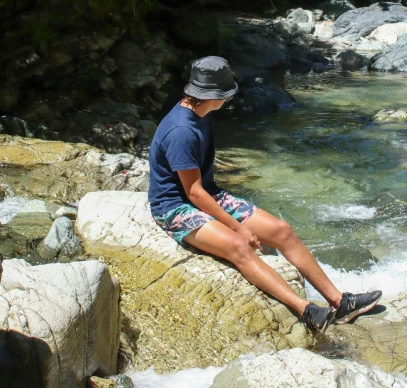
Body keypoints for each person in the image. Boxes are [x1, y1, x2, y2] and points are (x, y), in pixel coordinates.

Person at [149, 56, 381, 333]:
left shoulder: (200, 113)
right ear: (213, 96)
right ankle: (306, 310)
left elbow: (203, 189)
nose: (229, 99)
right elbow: (194, 193)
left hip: (207, 194)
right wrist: (237, 228)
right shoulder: (182, 131)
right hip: (175, 206)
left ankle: (339, 302)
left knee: (282, 231)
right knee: (239, 246)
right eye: (226, 94)